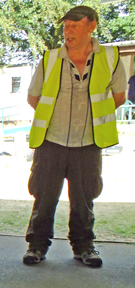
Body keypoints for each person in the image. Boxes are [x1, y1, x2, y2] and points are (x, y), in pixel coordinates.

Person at [24, 6, 127, 268]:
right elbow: (34, 97)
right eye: (65, 26)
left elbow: (118, 97)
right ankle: (36, 246)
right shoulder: (50, 59)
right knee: (44, 197)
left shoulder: (110, 57)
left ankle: (84, 247)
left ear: (91, 25)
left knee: (84, 198)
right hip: (51, 142)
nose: (67, 31)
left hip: (89, 143)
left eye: (74, 25)